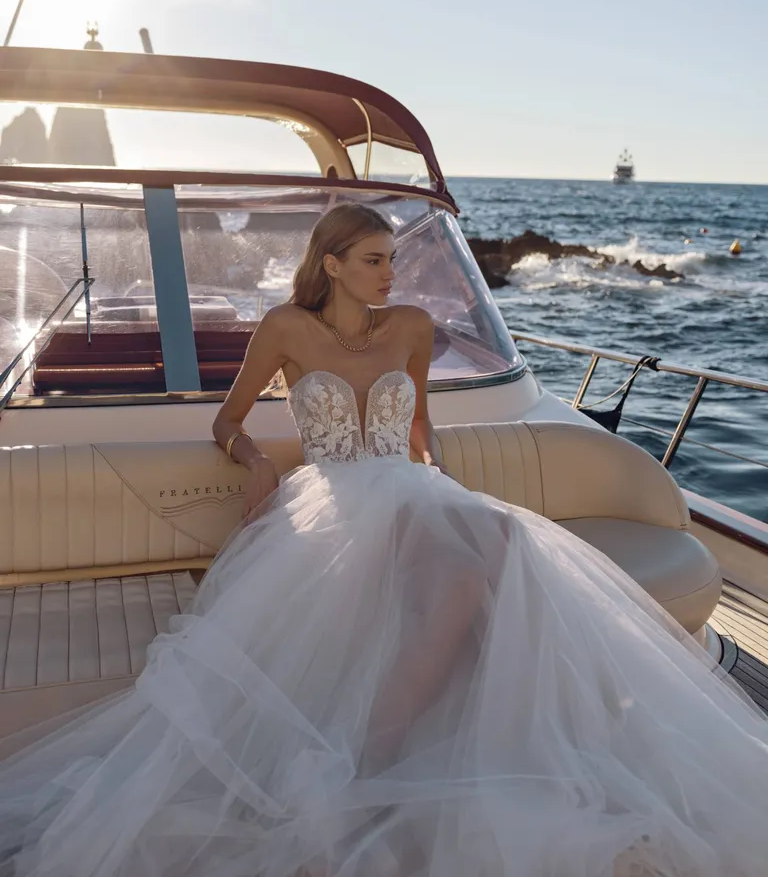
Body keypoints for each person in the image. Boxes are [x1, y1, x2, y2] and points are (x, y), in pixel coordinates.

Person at [1, 203, 767, 877]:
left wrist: (441, 481)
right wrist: (259, 462)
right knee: (468, 580)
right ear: (330, 263)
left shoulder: (412, 328)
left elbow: (421, 425)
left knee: (502, 538)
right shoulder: (284, 329)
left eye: (395, 260)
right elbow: (225, 422)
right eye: (373, 260)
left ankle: (479, 748)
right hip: (334, 499)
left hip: (412, 486)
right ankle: (373, 769)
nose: (390, 274)